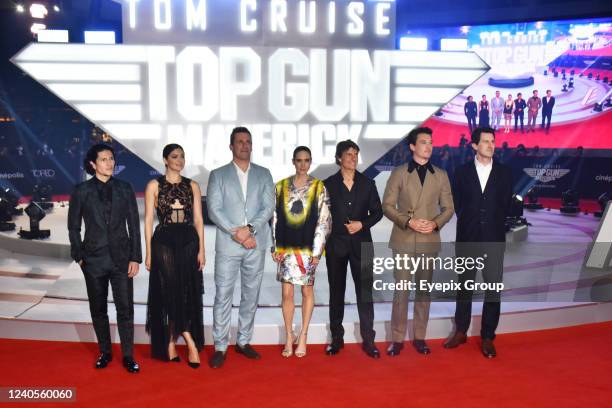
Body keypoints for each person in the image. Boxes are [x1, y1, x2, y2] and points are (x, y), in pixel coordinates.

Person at [67, 144, 141, 373]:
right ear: (92, 164)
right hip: (94, 261)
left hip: (121, 259)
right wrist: (79, 256)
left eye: (111, 159)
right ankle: (105, 352)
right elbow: (73, 227)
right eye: (104, 160)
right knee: (98, 310)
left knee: (125, 309)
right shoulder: (81, 191)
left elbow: (134, 226)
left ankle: (128, 356)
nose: (110, 163)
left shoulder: (125, 188)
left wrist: (135, 257)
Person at [206, 127, 275, 368]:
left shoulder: (264, 174)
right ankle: (220, 346)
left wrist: (251, 230)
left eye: (248, 141)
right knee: (223, 295)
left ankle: (243, 341)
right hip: (229, 245)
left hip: (255, 245)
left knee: (250, 295)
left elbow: (268, 207)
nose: (244, 145)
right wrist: (238, 233)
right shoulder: (218, 175)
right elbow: (214, 210)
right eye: (239, 141)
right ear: (231, 146)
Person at [382, 127, 454, 356]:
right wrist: (408, 221)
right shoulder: (400, 172)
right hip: (404, 237)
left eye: (431, 142)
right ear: (413, 146)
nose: (429, 146)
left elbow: (449, 208)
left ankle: (420, 337)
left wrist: (434, 224)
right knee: (401, 291)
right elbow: (387, 205)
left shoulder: (441, 174)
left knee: (423, 291)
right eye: (424, 142)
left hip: (429, 238)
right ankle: (397, 338)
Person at [444, 127, 513, 359]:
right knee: (464, 286)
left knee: (492, 289)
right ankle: (461, 331)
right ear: (474, 145)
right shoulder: (461, 172)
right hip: (468, 237)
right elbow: (457, 201)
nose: (491, 145)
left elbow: (505, 204)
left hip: (494, 239)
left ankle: (487, 337)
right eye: (485, 141)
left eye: (493, 141)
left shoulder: (505, 173)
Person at [144, 144, 205, 368]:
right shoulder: (154, 185)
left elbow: (198, 220)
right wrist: (149, 254)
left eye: (182, 156)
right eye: (174, 156)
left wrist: (202, 250)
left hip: (189, 241)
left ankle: (171, 341)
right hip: (164, 242)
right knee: (169, 291)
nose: (179, 160)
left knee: (186, 292)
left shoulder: (193, 186)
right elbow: (149, 221)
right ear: (165, 159)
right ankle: (189, 341)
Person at [324, 140, 383, 358]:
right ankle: (336, 339)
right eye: (348, 154)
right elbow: (322, 216)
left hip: (362, 244)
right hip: (336, 245)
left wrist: (362, 224)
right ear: (339, 158)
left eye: (356, 154)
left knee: (365, 294)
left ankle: (369, 340)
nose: (353, 158)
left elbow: (378, 212)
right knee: (336, 293)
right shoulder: (328, 184)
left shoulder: (368, 183)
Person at [272, 146, 331, 358]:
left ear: (311, 162)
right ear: (293, 161)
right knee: (286, 293)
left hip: (308, 249)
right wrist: (276, 246)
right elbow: (275, 217)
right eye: (299, 160)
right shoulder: (280, 187)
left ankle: (303, 335)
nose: (303, 164)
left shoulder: (318, 187)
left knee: (307, 291)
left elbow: (324, 220)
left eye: (307, 160)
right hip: (286, 249)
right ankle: (289, 335)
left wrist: (317, 252)